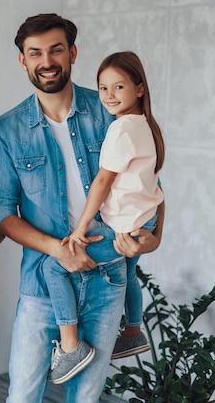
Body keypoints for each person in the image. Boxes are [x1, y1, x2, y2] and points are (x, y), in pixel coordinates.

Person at [0, 13, 165, 402]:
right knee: (22, 394)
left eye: (55, 50)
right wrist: (58, 251)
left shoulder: (111, 109)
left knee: (85, 397)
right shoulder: (6, 130)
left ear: (72, 53)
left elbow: (152, 184)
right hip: (42, 282)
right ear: (23, 60)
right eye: (35, 53)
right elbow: (3, 212)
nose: (46, 61)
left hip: (107, 279)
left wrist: (151, 241)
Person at [43, 50, 166, 381]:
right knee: (128, 272)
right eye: (103, 88)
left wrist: (80, 229)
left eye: (119, 87)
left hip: (124, 229)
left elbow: (101, 181)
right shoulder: (146, 126)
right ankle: (133, 332)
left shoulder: (122, 129)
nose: (109, 96)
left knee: (53, 265)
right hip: (143, 222)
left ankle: (71, 348)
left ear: (140, 89)